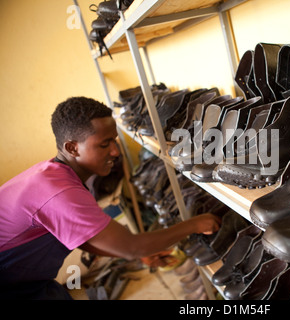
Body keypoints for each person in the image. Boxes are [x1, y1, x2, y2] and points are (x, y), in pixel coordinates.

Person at [0, 97, 221, 300]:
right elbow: (132, 246)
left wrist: (133, 253)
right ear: (72, 148)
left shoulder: (57, 175)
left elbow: (84, 237)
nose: (116, 151)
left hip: (28, 281)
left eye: (114, 141)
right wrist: (195, 224)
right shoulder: (59, 193)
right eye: (104, 144)